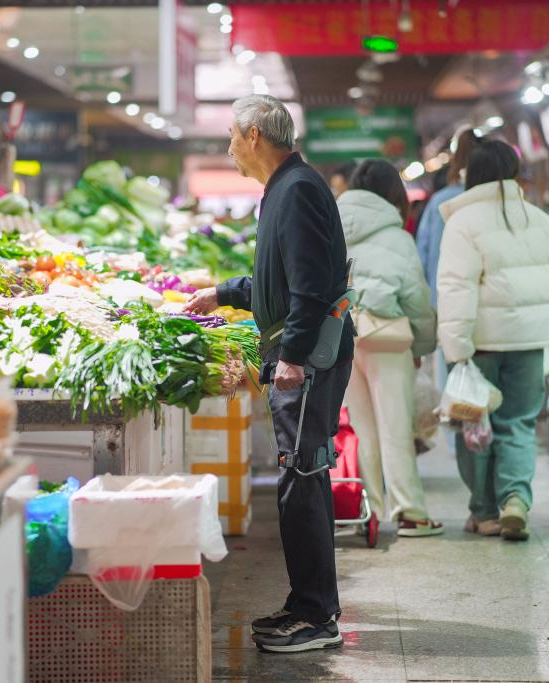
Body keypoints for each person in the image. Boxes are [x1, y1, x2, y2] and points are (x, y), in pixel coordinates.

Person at [184, 94, 352, 653]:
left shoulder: (297, 190)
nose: (229, 147)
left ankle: (316, 618)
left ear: (255, 135)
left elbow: (309, 289)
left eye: (232, 135)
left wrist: (293, 357)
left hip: (306, 358)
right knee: (302, 479)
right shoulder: (282, 190)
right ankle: (309, 603)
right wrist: (222, 293)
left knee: (301, 480)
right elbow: (277, 282)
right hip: (295, 350)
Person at [436, 140, 549, 541]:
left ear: (469, 176)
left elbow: (456, 290)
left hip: (481, 345)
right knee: (519, 424)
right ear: (514, 174)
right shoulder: (541, 220)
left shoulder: (463, 222)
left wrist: (456, 349)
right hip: (529, 343)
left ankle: (485, 512)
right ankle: (516, 499)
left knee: (475, 422)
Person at [336, 160, 440, 537]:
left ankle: (368, 511)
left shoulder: (332, 225)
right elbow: (416, 299)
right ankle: (410, 512)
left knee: (361, 429)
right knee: (395, 428)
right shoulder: (398, 237)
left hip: (343, 336)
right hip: (387, 339)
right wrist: (424, 344)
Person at [416, 128, 480, 308]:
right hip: (486, 300)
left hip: (442, 295)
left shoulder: (440, 201)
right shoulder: (497, 201)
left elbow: (423, 250)